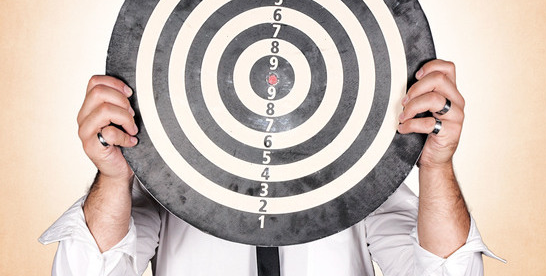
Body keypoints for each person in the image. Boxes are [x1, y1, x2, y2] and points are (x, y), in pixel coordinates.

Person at [40, 59, 500, 275]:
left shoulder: (358, 167)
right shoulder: (170, 166)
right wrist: (113, 175)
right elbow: (89, 271)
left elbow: (444, 273)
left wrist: (436, 168)